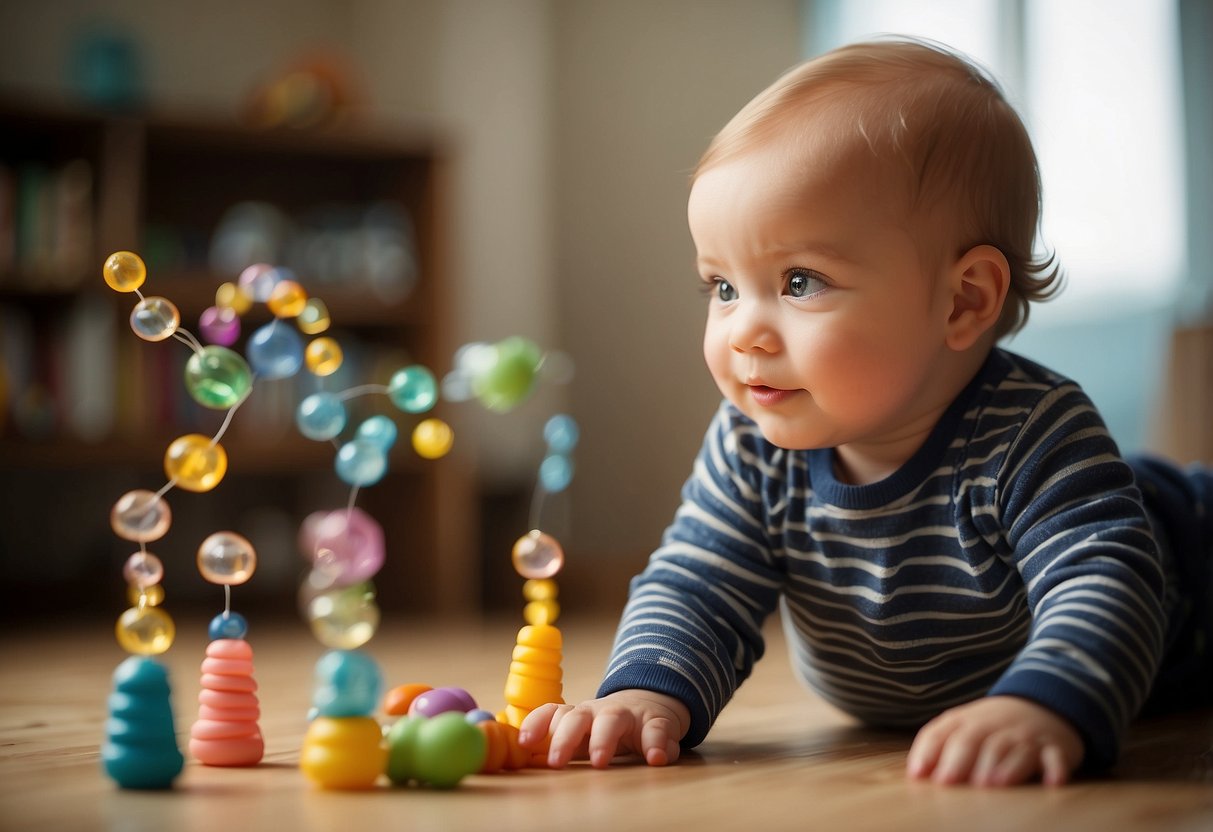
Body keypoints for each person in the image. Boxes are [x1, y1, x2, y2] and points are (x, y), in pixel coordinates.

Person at [518, 38, 1212, 787]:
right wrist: (642, 692)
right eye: (720, 287)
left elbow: (1103, 581)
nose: (743, 330)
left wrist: (1044, 704)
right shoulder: (753, 446)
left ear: (962, 300)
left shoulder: (1031, 433)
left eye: (799, 281)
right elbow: (697, 581)